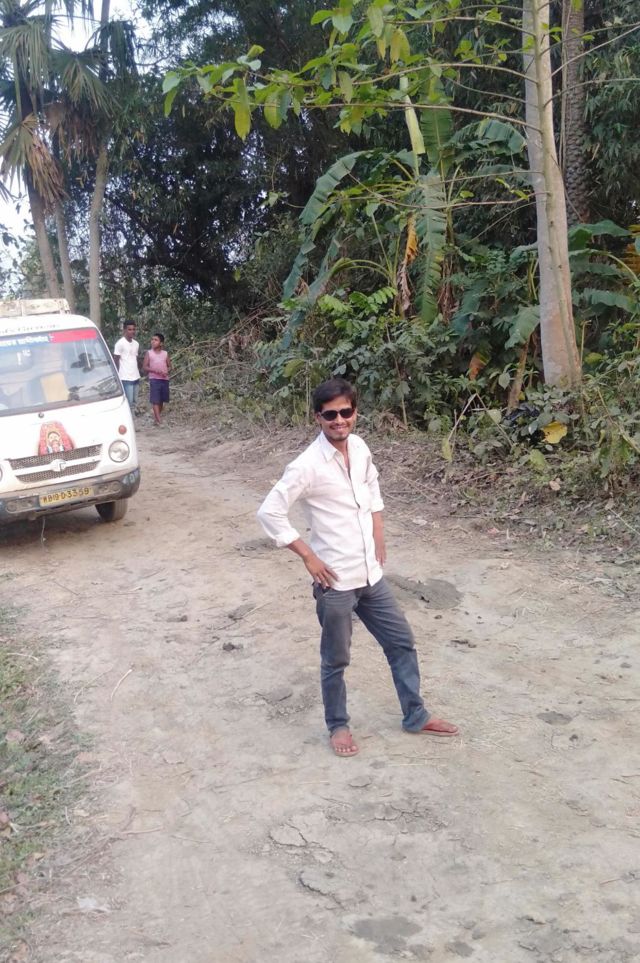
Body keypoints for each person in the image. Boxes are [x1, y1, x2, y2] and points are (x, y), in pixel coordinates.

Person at [257, 377, 458, 757]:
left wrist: (378, 531)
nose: (339, 420)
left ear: (355, 413)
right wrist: (308, 556)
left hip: (371, 577)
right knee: (336, 659)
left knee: (401, 642)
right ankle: (338, 726)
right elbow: (270, 512)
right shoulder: (306, 466)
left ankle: (416, 715)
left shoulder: (360, 447)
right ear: (318, 418)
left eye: (345, 412)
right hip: (335, 583)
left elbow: (371, 487)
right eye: (330, 414)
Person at [142, 332, 171, 425]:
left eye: (156, 340)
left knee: (161, 400)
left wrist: (167, 371)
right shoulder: (149, 353)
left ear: (161, 343)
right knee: (155, 400)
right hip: (154, 379)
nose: (153, 341)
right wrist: (155, 370)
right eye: (152, 339)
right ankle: (159, 421)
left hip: (164, 379)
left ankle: (156, 419)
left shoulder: (165, 354)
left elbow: (170, 366)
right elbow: (145, 367)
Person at [113, 321, 140, 409]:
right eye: (129, 329)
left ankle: (133, 415)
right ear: (124, 330)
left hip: (135, 376)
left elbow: (135, 359)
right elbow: (116, 360)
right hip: (125, 377)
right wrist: (117, 375)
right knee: (129, 402)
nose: (132, 331)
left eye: (133, 329)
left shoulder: (136, 344)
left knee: (135, 401)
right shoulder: (120, 343)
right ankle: (130, 416)